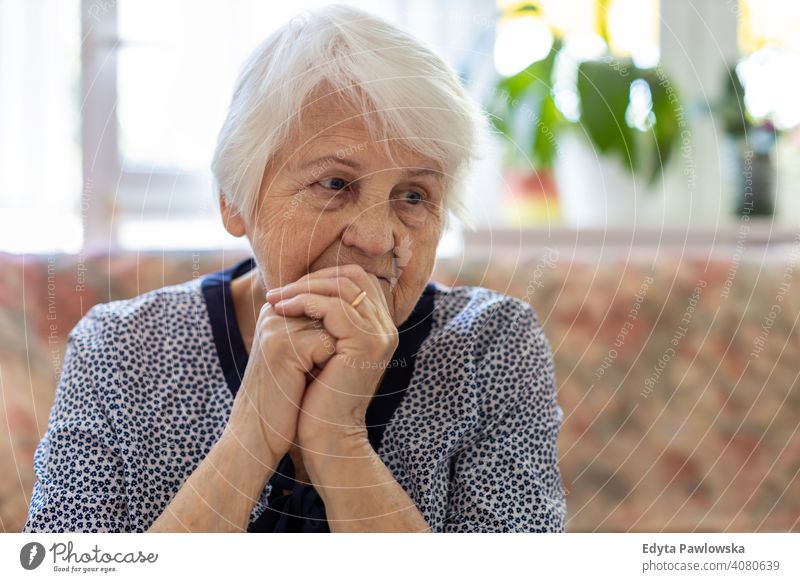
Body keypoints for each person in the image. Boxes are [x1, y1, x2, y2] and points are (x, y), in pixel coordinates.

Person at [23, 4, 566, 533]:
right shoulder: (121, 350)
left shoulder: (492, 345)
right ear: (234, 200)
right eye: (335, 184)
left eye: (413, 194)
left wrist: (339, 444)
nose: (377, 239)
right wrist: (252, 435)